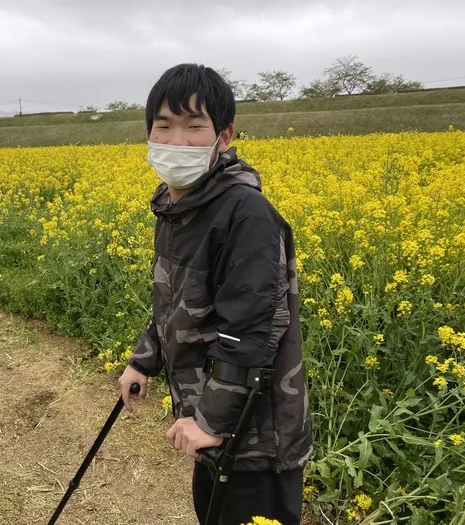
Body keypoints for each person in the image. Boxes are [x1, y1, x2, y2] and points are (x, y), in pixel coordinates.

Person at [118, 64, 312, 525]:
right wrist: (144, 360)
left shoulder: (245, 214)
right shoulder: (178, 205)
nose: (176, 141)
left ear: (223, 137)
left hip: (253, 432)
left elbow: (252, 331)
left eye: (194, 127)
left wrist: (212, 422)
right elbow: (173, 299)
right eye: (163, 126)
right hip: (211, 416)